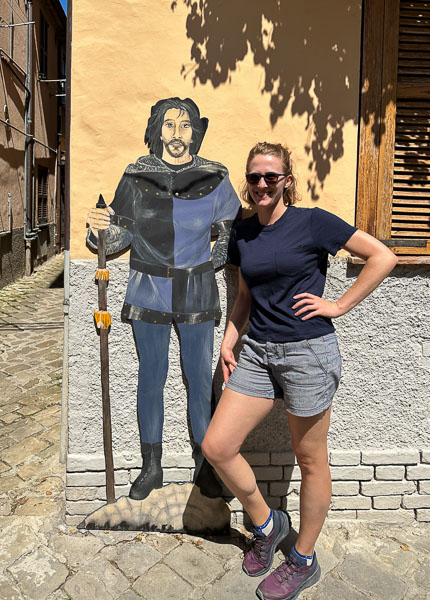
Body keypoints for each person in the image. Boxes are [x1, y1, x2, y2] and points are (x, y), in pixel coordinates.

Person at [201, 142, 398, 600]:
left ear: (287, 179)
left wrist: (338, 306)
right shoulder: (243, 232)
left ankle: (303, 559)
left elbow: (382, 257)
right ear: (247, 183)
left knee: (310, 459)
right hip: (257, 353)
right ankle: (268, 525)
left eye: (272, 176)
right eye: (255, 177)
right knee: (217, 445)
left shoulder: (313, 222)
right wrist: (230, 339)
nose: (263, 184)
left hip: (308, 353)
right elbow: (246, 295)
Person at [86, 97, 240, 500]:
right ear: (157, 131)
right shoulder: (136, 176)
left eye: (185, 125)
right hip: (149, 286)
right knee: (151, 376)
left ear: (195, 131)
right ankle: (150, 466)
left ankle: (206, 466)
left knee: (197, 378)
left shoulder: (215, 176)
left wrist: (218, 257)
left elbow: (230, 230)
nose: (177, 133)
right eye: (168, 125)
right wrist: (98, 229)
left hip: (196, 289)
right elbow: (117, 236)